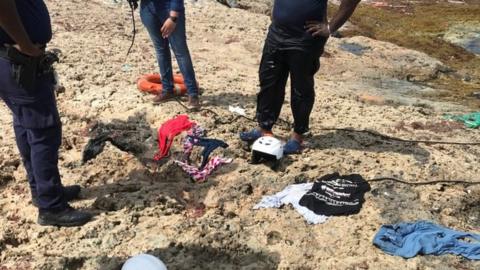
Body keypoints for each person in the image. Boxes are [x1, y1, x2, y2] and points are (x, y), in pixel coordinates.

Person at [0, 0, 92, 226]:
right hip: (18, 57)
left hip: (12, 57)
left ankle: (42, 190)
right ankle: (51, 206)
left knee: (26, 125)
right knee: (44, 130)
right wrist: (27, 46)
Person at [240, 0, 361, 154]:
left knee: (301, 89)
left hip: (305, 38)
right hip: (277, 33)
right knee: (269, 82)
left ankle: (298, 136)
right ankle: (264, 128)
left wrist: (330, 28)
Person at [140, 0, 201, 110]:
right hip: (147, 8)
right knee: (161, 49)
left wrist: (173, 17)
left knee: (180, 51)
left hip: (168, 8)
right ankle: (167, 89)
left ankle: (193, 94)